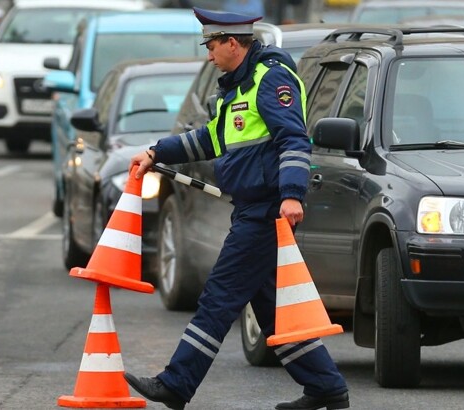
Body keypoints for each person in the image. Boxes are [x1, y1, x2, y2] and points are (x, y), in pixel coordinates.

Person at [124, 7, 349, 410]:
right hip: (250, 209)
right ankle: (326, 388)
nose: (208, 54)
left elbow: (294, 140)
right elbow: (210, 139)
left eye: (211, 45)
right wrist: (157, 152)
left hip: (266, 213)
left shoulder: (270, 78)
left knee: (218, 297)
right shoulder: (235, 90)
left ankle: (176, 384)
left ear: (232, 43)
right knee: (275, 312)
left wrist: (292, 194)